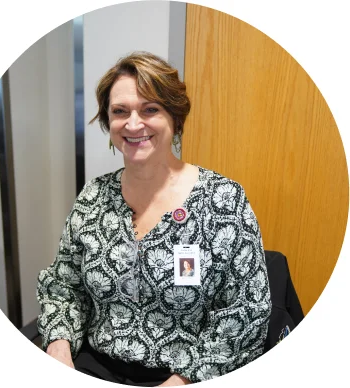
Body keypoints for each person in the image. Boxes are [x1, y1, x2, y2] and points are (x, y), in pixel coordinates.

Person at [36, 51, 271, 386]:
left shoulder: (223, 200)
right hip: (93, 366)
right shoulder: (93, 197)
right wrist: (59, 348)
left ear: (174, 118)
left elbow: (247, 310)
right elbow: (64, 287)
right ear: (108, 122)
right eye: (120, 112)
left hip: (187, 375)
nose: (133, 124)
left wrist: (183, 380)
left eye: (150, 109)